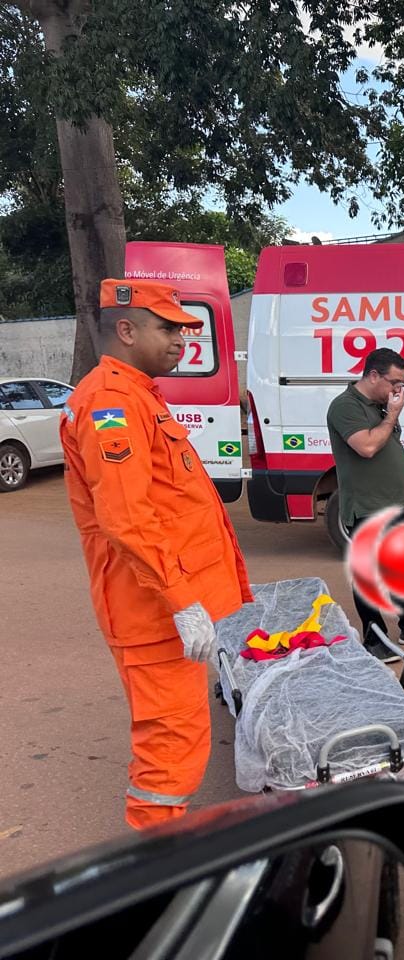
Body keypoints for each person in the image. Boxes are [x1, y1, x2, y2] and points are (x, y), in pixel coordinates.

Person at [60, 279, 254, 829]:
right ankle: (155, 871)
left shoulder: (136, 395)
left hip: (167, 609)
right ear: (126, 329)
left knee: (180, 738)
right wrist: (181, 601)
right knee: (170, 749)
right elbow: (127, 519)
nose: (182, 340)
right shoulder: (110, 404)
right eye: (167, 328)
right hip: (154, 613)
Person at [327, 348, 404, 659]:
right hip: (368, 506)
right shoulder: (345, 406)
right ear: (372, 376)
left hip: (397, 501)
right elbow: (367, 447)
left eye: (402, 383)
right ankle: (375, 639)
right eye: (395, 382)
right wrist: (394, 414)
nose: (399, 390)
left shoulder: (381, 405)